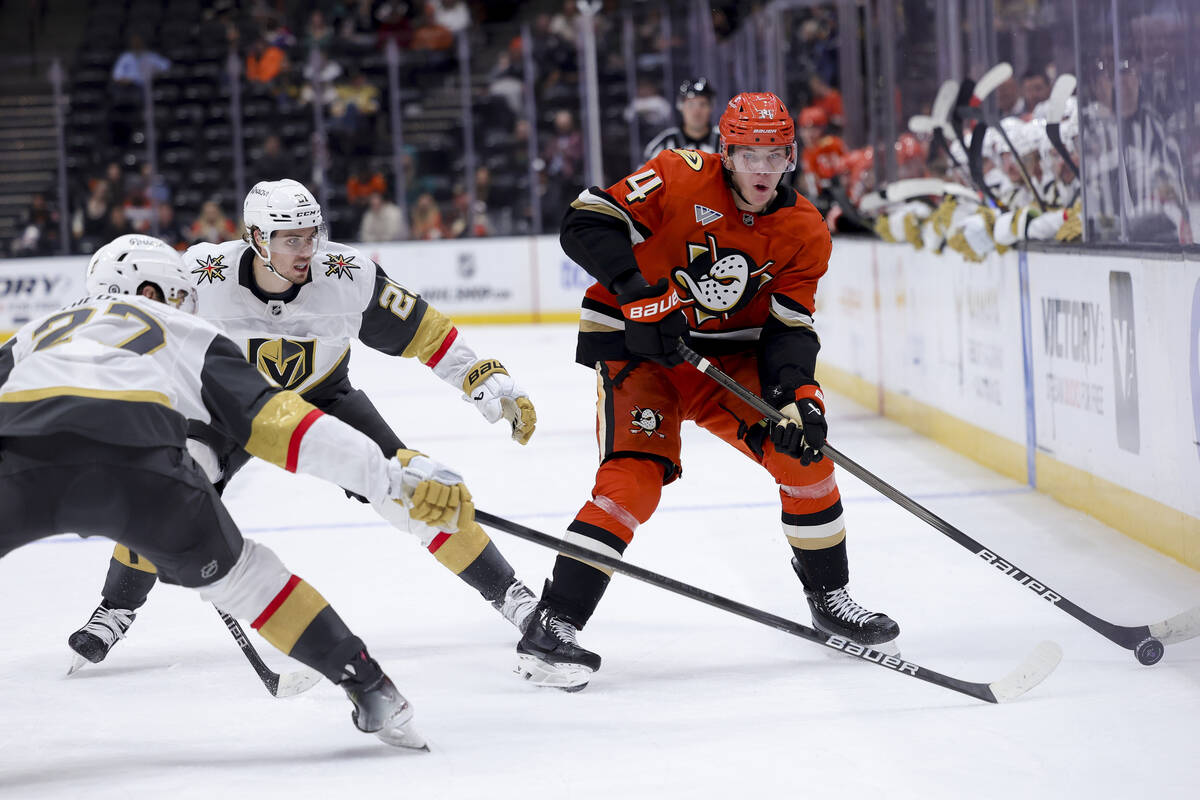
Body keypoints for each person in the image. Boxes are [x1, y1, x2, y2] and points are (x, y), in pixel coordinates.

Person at [0, 235, 477, 747]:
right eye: (179, 294)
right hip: (140, 470)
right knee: (248, 577)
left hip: (19, 465)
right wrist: (388, 477)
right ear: (148, 289)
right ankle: (372, 688)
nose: (188, 306)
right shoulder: (181, 330)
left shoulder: (33, 334)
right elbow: (281, 424)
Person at [66, 180, 540, 670]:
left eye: (311, 235)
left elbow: (425, 331)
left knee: (415, 489)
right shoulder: (203, 275)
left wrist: (479, 374)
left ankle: (513, 596)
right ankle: (115, 607)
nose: (306, 249)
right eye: (290, 239)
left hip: (324, 399)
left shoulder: (348, 273)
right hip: (228, 406)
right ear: (255, 237)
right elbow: (127, 314)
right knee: (172, 485)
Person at [515, 92, 899, 690]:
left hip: (731, 364)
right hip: (642, 356)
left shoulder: (803, 229)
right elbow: (584, 222)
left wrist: (800, 394)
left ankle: (831, 598)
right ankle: (554, 624)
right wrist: (638, 291)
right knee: (632, 483)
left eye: (776, 155)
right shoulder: (676, 175)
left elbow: (789, 329)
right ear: (727, 153)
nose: (764, 170)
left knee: (807, 461)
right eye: (751, 155)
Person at [642, 77, 720, 162]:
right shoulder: (662, 144)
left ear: (711, 107)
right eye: (690, 105)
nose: (696, 112)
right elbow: (645, 174)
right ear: (680, 106)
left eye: (703, 104)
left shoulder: (725, 141)